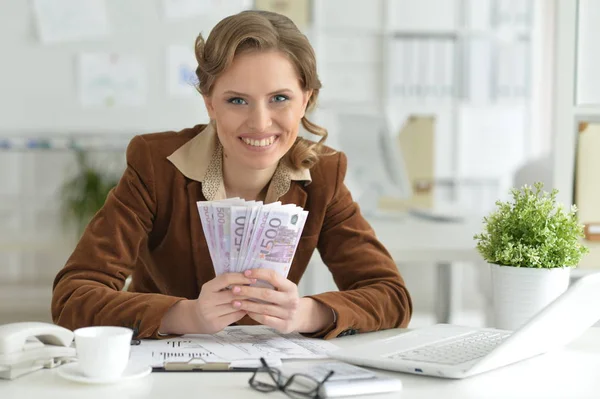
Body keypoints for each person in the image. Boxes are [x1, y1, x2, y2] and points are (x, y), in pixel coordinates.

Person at [51, 10, 412, 340]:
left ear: (306, 99)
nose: (259, 123)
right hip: (163, 369)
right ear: (210, 103)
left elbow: (391, 296)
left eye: (280, 98)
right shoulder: (156, 166)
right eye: (237, 100)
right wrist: (186, 315)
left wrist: (306, 314)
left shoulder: (324, 176)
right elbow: (72, 297)